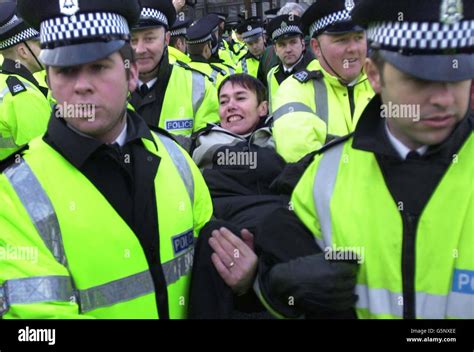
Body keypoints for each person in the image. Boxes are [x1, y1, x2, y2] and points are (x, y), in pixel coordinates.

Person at [255, 0, 474, 319]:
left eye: (458, 76)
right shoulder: (323, 176)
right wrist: (276, 291)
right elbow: (282, 272)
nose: (442, 99)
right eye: (420, 79)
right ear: (374, 75)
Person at [0, 0, 213, 319]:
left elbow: (209, 276)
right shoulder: (15, 194)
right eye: (65, 70)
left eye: (98, 66)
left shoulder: (176, 159)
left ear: (131, 75)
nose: (82, 85)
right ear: (49, 80)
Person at [189, 74, 287, 319]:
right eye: (223, 101)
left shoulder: (284, 137)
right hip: (224, 226)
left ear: (263, 108)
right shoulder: (204, 142)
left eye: (240, 98)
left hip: (274, 232)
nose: (230, 105)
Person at [271, 0, 375, 162]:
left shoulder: (386, 81)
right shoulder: (294, 90)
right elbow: (303, 163)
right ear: (316, 47)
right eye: (341, 40)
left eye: (359, 37)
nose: (353, 48)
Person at [130, 0, 219, 136]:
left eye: (149, 39)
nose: (140, 49)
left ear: (166, 39)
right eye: (132, 40)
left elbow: (211, 147)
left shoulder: (199, 87)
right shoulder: (106, 89)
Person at [0, 2, 50, 161]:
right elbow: (44, 160)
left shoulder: (5, 82)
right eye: (41, 44)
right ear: (23, 51)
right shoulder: (25, 96)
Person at [265, 14, 313, 111]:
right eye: (282, 45)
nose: (288, 50)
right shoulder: (271, 74)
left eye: (293, 42)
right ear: (275, 50)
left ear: (303, 44)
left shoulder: (315, 71)